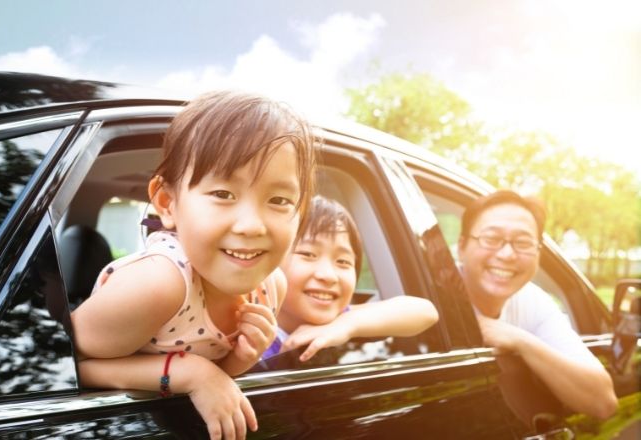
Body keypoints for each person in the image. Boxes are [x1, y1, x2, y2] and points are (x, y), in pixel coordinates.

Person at [70, 90, 316, 440]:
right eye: (223, 194)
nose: (251, 225)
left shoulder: (270, 287)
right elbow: (65, 366)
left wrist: (239, 361)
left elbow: (219, 379)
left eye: (279, 200)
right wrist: (190, 374)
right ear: (168, 203)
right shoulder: (158, 285)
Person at [457, 189, 618, 419]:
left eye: (522, 243)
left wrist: (522, 341)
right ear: (461, 247)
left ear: (538, 253)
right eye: (491, 239)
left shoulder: (532, 301)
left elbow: (603, 403)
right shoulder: (430, 296)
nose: (506, 254)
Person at [263, 195, 439, 361]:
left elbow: (426, 311)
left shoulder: (341, 319)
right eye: (308, 254)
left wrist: (347, 325)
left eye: (343, 261)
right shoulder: (248, 335)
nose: (329, 276)